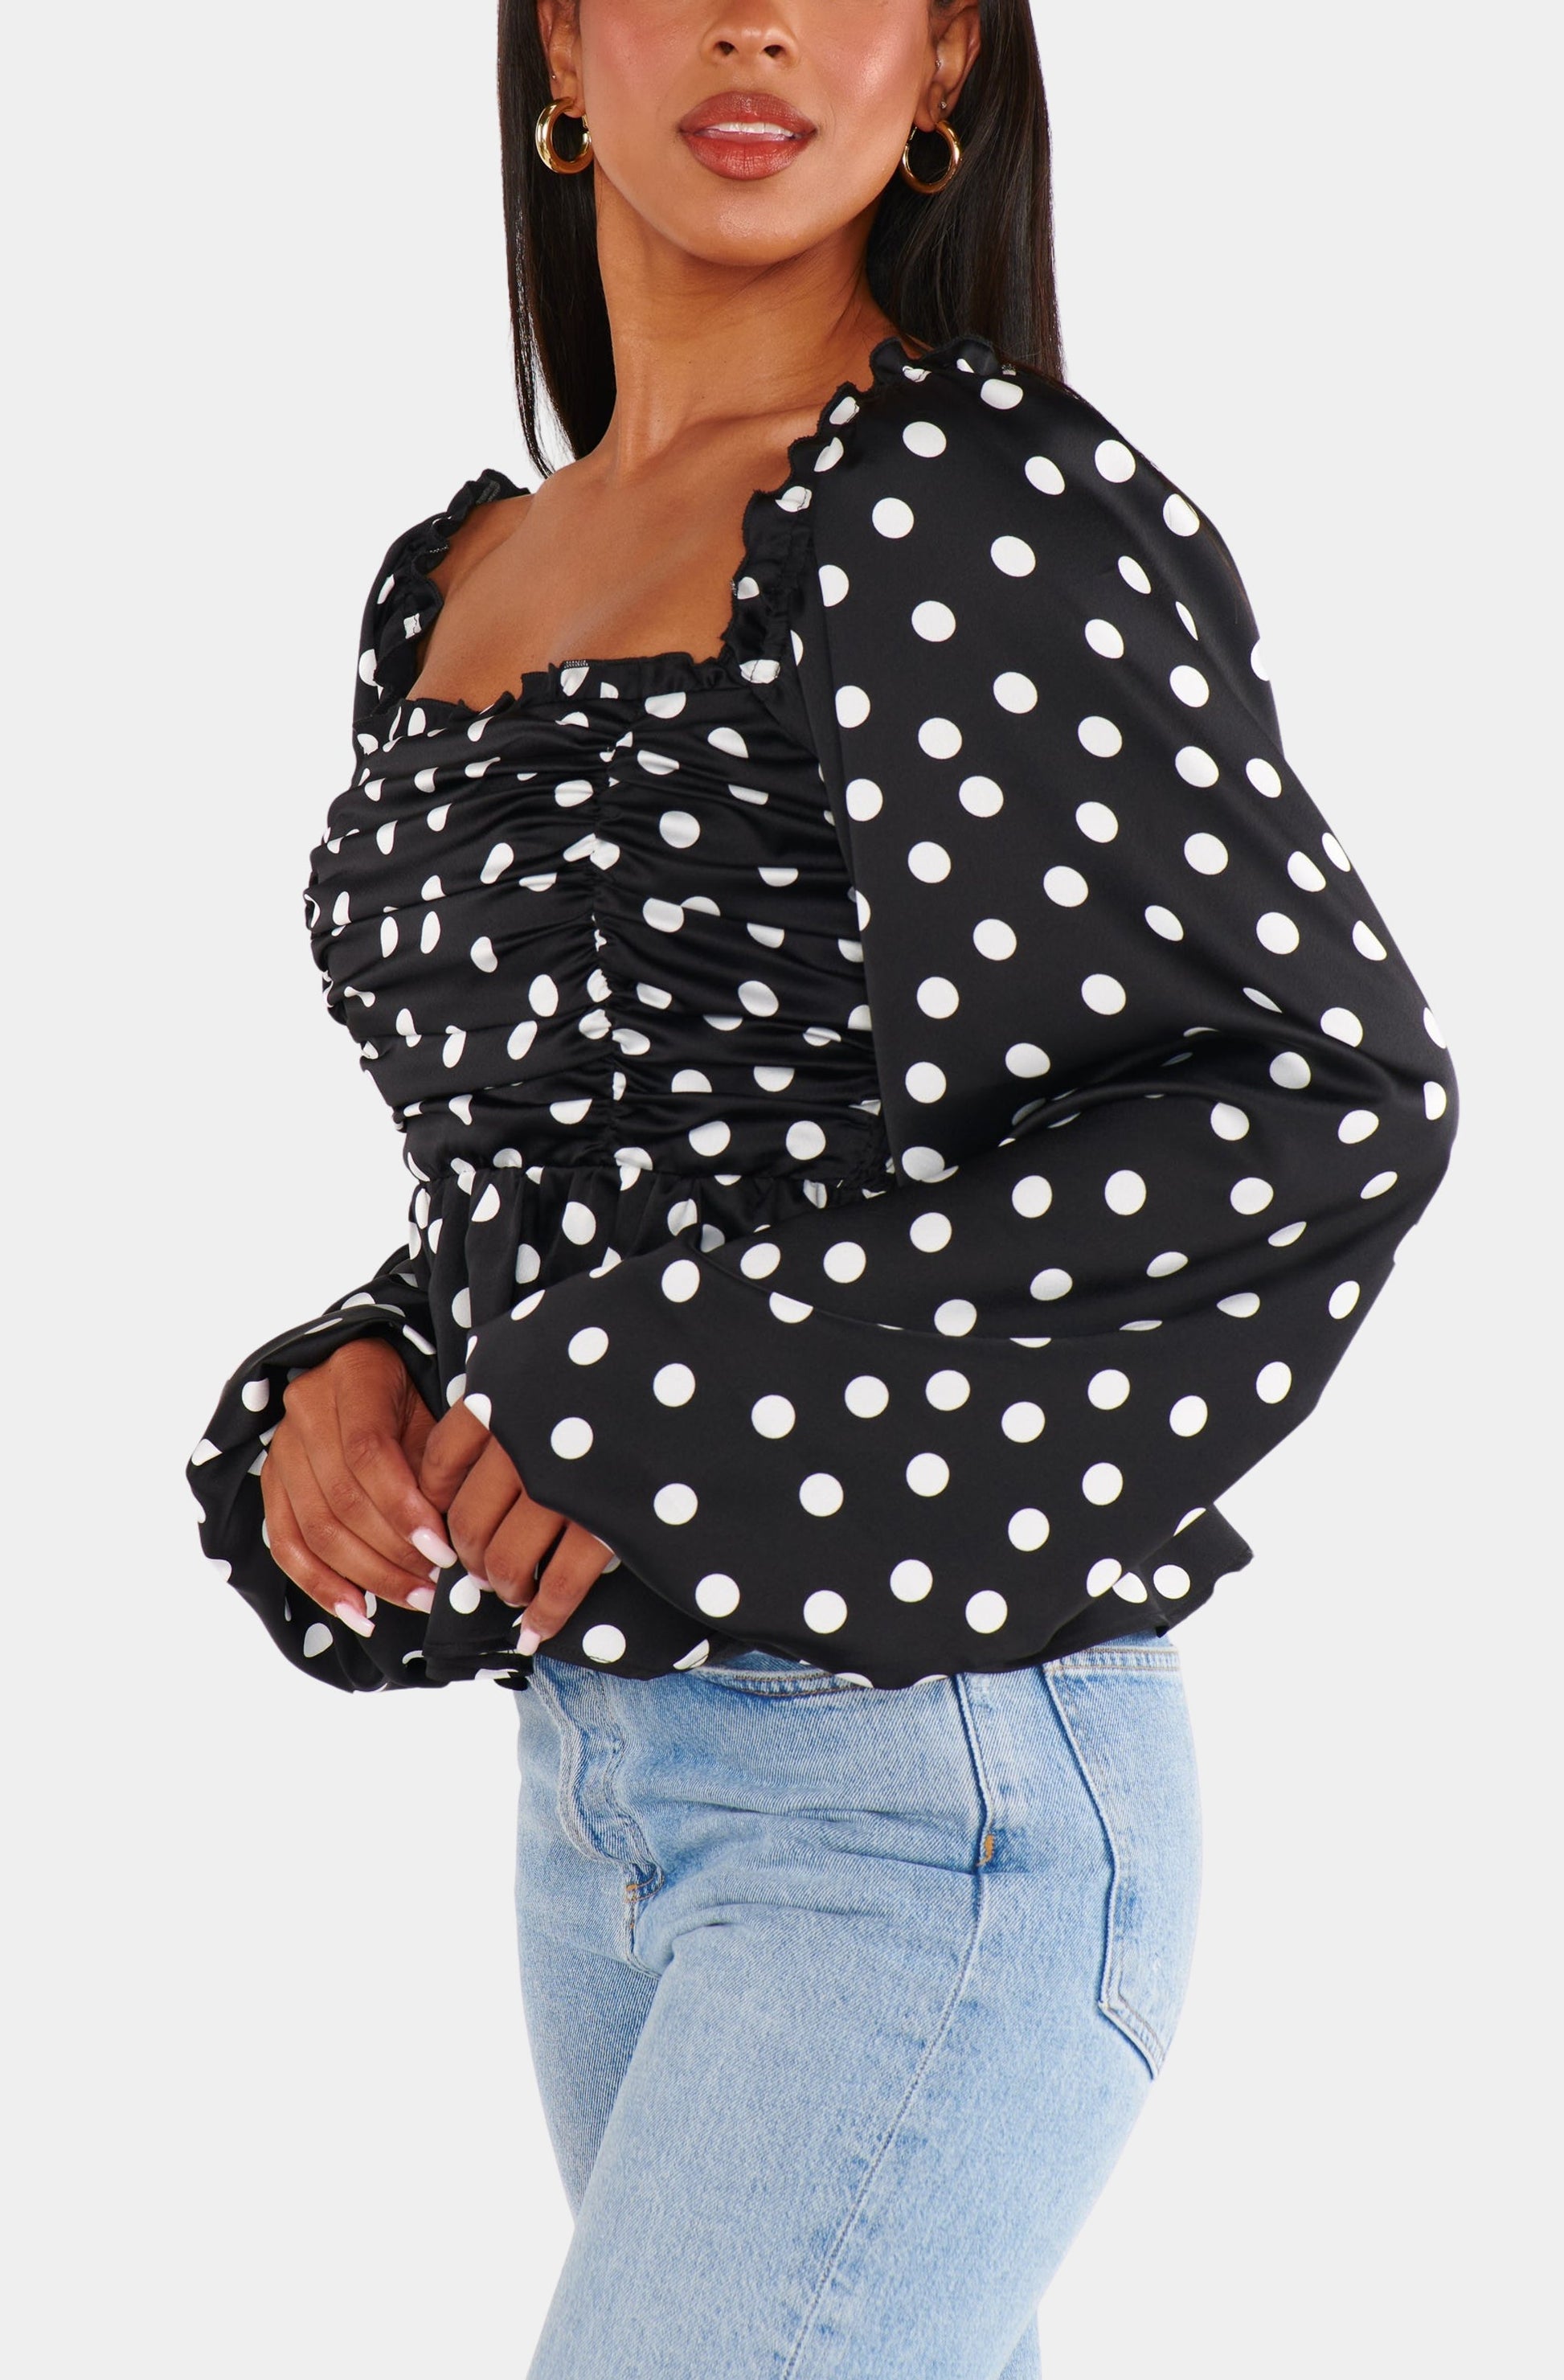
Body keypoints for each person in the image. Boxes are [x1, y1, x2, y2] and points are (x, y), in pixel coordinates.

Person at [186, 4, 1457, 2371]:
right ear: (563, 40)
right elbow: (600, 1177)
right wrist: (374, 1371)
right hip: (603, 1794)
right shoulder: (454, 580)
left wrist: (658, 1387)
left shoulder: (969, 501)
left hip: (929, 1784)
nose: (759, 19)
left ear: (946, 58)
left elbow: (1308, 1098)